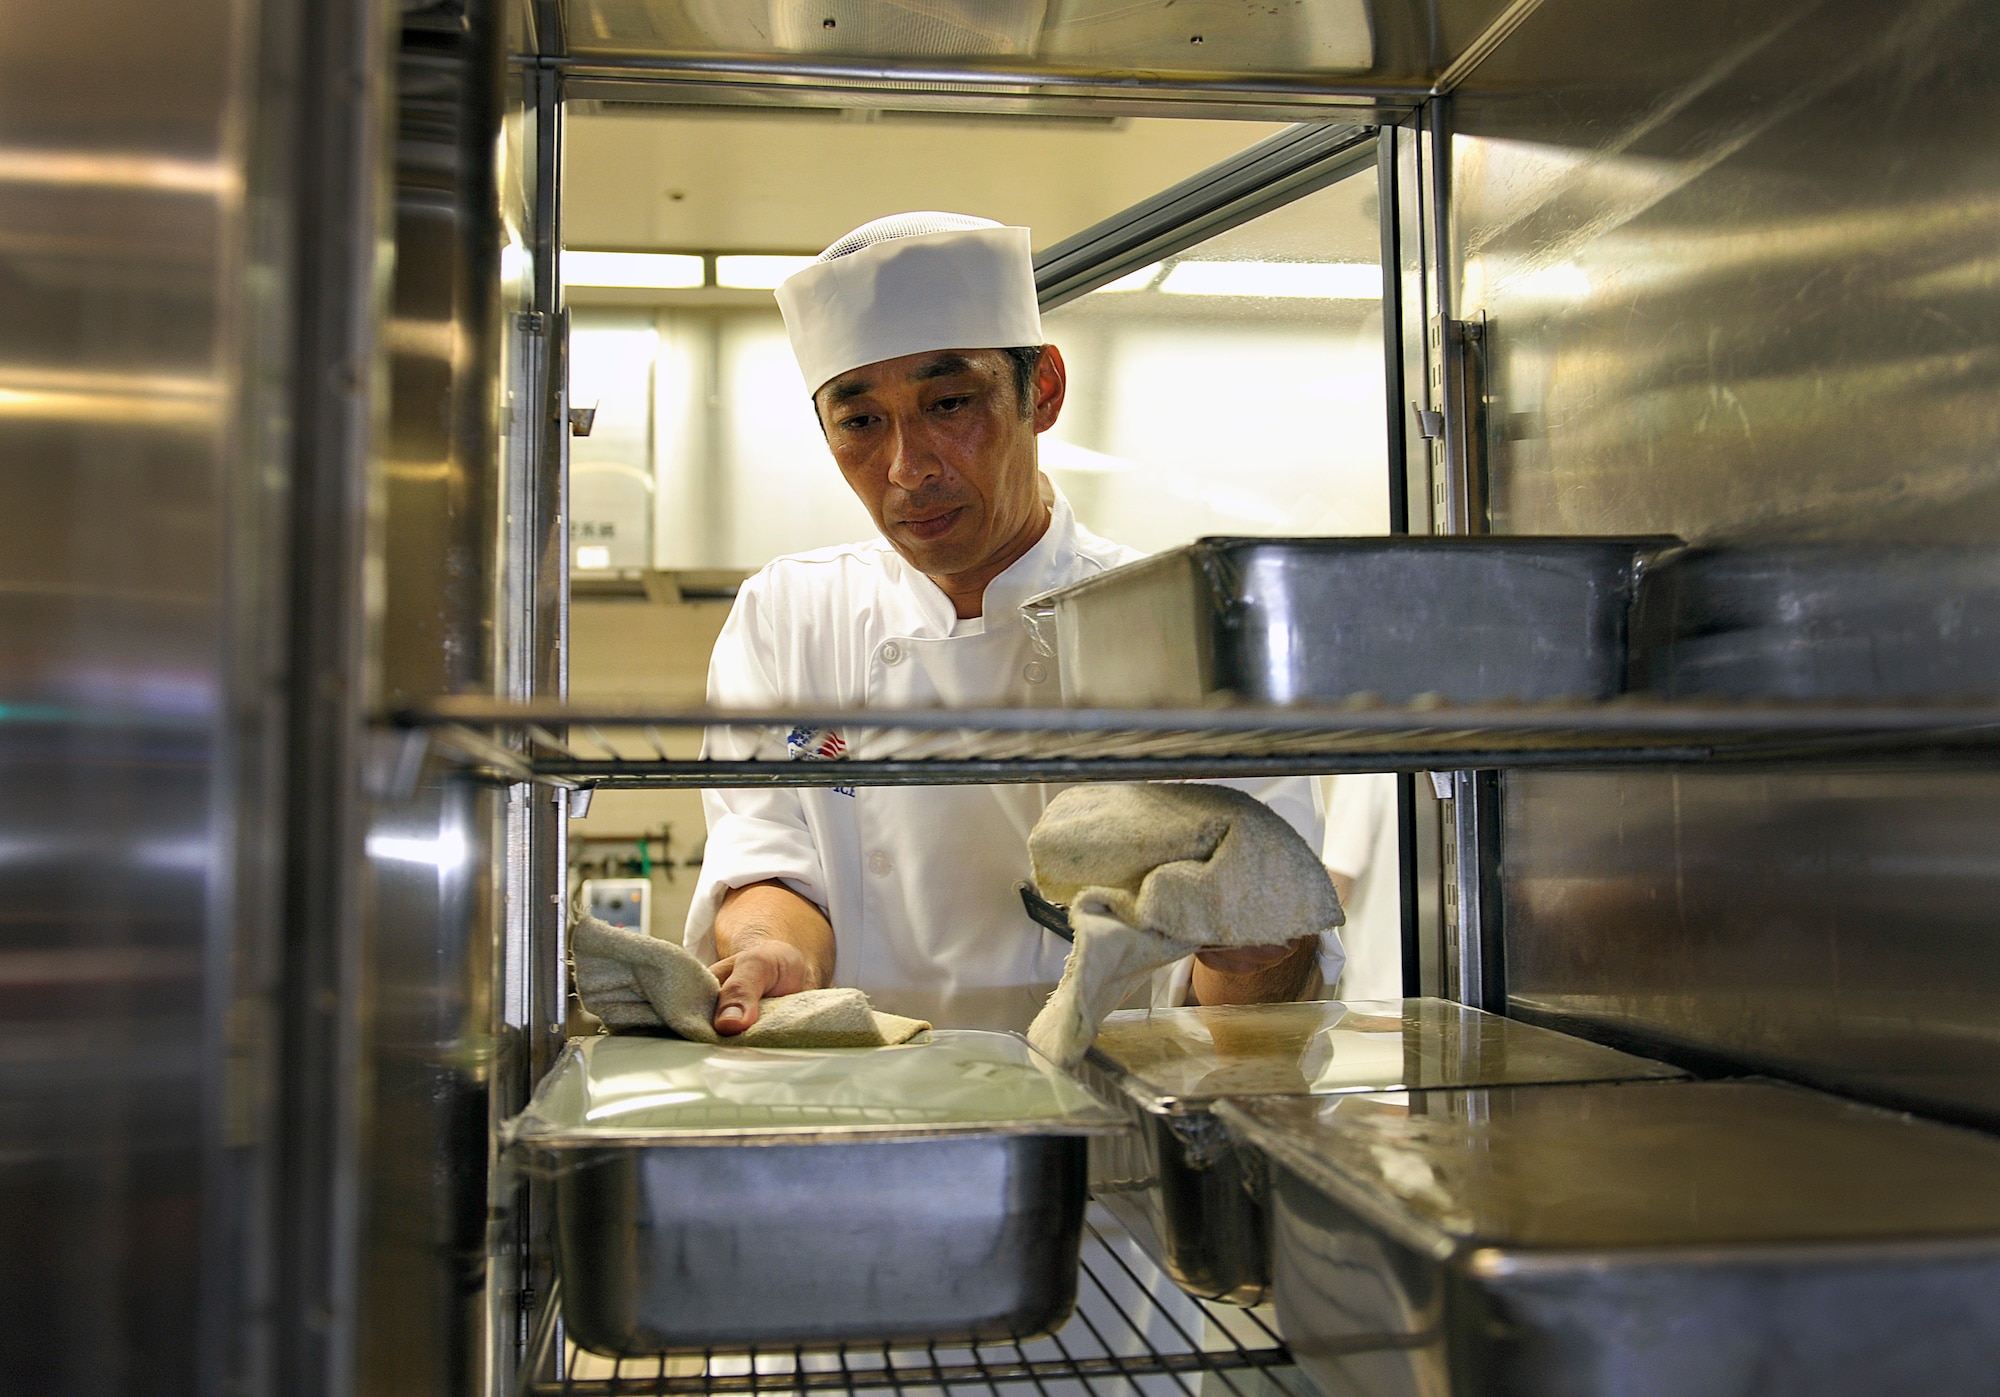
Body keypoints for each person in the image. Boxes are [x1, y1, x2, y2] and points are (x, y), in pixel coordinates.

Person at [684, 212, 1343, 1035]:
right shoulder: (789, 618)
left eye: (950, 403)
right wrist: (769, 949)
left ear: (1044, 391)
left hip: (1109, 1131)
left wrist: (1253, 948)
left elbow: (1255, 1003)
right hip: (857, 1106)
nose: (907, 467)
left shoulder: (1181, 627)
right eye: (860, 422)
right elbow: (773, 866)